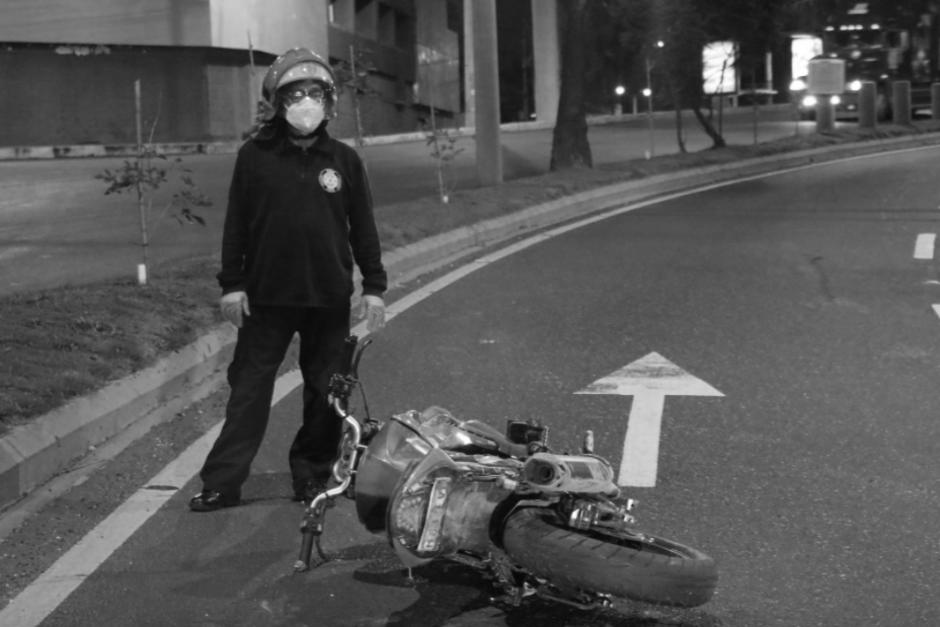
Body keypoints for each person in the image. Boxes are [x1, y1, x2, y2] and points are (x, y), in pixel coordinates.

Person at [189, 47, 388, 512]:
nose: (305, 102)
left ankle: (313, 476)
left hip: (329, 299)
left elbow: (364, 227)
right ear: (277, 102)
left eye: (314, 93)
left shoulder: (343, 159)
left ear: (329, 101)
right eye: (295, 94)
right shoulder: (254, 156)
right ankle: (222, 482)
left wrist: (374, 289)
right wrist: (232, 284)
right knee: (249, 394)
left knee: (325, 395)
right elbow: (236, 223)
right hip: (266, 300)